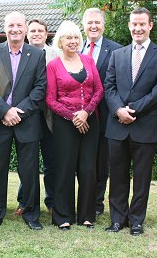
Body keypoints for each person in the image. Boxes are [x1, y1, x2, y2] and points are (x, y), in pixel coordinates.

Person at [104, 7, 157, 236]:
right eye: (134, 24)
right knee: (117, 176)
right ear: (129, 26)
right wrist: (118, 110)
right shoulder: (118, 54)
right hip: (117, 126)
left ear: (150, 25)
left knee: (142, 177)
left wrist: (132, 110)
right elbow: (109, 87)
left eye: (142, 24)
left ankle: (136, 221)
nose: (137, 28)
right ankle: (117, 219)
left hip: (145, 125)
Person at [0, 11, 47, 233]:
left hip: (27, 120)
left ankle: (31, 214)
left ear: (25, 28)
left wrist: (19, 111)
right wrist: (5, 111)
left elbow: (40, 88)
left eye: (19, 25)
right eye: (11, 25)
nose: (15, 29)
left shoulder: (36, 55)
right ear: (4, 28)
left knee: (29, 171)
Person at [46, 20, 103, 230]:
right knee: (65, 169)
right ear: (60, 41)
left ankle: (87, 215)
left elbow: (98, 90)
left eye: (76, 37)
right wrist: (73, 116)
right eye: (68, 37)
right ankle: (63, 216)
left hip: (90, 121)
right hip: (64, 124)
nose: (73, 41)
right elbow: (51, 100)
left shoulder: (88, 61)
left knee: (88, 168)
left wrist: (86, 113)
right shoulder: (53, 66)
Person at [81, 8, 122, 217]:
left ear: (104, 25)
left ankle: (96, 204)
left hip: (105, 116)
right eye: (89, 23)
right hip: (78, 117)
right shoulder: (75, 47)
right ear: (83, 25)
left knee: (101, 162)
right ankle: (81, 201)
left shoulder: (116, 50)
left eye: (97, 22)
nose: (93, 26)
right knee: (82, 161)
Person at [14, 18, 58, 216]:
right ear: (26, 33)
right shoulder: (19, 54)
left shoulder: (56, 55)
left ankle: (52, 201)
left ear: (46, 34)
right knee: (27, 163)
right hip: (27, 114)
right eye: (32, 30)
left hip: (49, 116)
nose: (36, 34)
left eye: (40, 30)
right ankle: (24, 201)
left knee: (51, 160)